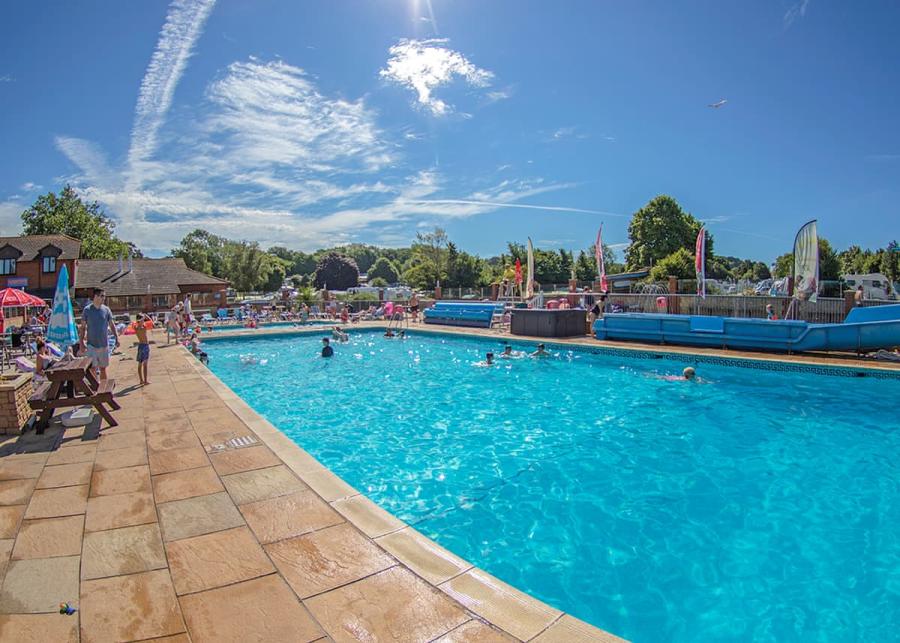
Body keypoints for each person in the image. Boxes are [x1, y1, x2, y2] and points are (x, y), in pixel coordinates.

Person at [79, 288, 118, 380]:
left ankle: (103, 390)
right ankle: (95, 388)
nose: (104, 298)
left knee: (103, 368)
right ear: (96, 296)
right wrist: (81, 342)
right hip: (91, 344)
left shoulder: (106, 310)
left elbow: (112, 325)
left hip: (103, 344)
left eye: (104, 296)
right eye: (102, 296)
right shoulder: (87, 310)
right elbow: (83, 327)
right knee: (92, 368)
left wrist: (117, 337)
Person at [135, 314, 151, 386]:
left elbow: (137, 325)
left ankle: (142, 380)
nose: (143, 321)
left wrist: (142, 318)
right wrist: (146, 316)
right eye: (143, 320)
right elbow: (151, 322)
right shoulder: (143, 327)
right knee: (144, 365)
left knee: (140, 364)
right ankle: (144, 380)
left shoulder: (136, 327)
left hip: (141, 346)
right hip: (144, 346)